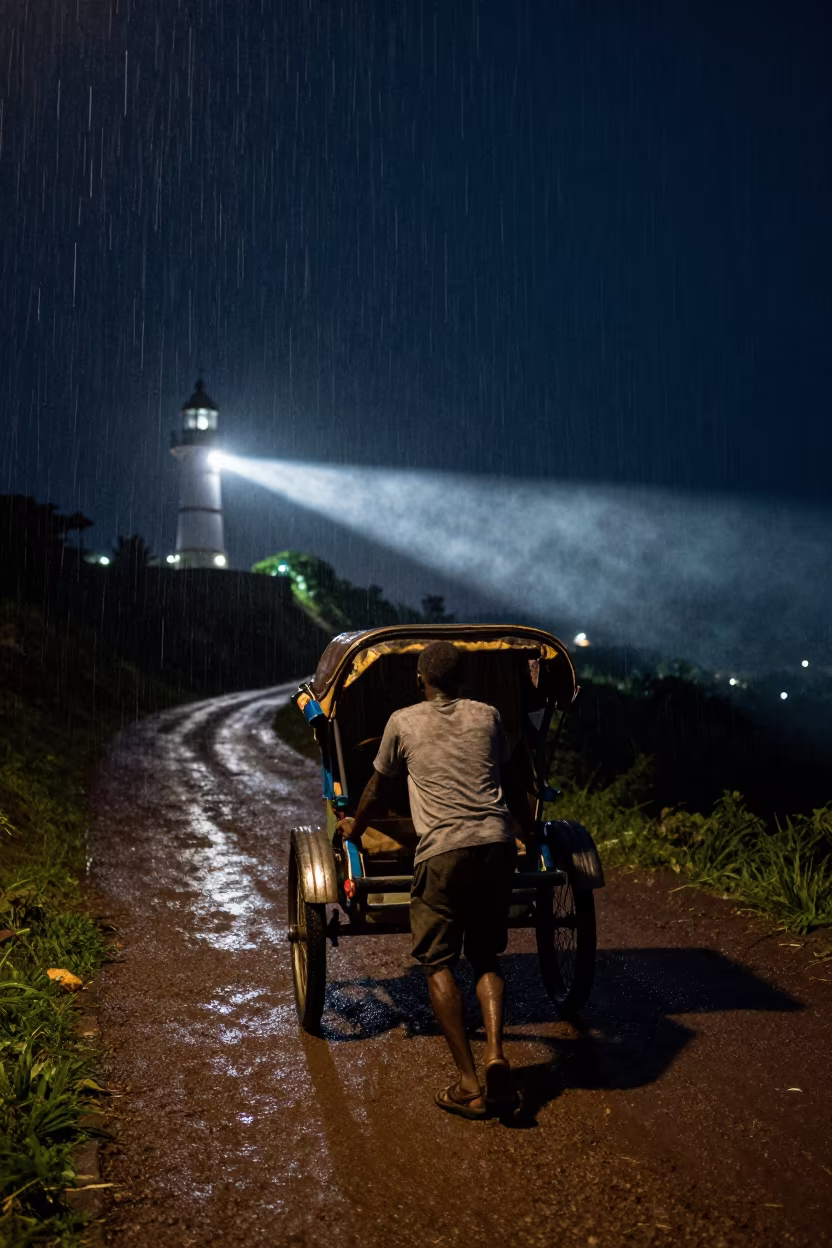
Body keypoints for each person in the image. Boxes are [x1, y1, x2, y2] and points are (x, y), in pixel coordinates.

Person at [336, 640, 537, 1119]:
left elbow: (376, 787)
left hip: (443, 851)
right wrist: (528, 831)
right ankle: (494, 1055)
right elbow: (510, 782)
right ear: (464, 678)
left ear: (419, 679)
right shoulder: (487, 716)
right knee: (486, 955)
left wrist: (355, 828)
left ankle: (470, 1084)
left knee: (438, 963)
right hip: (495, 843)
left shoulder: (402, 721)